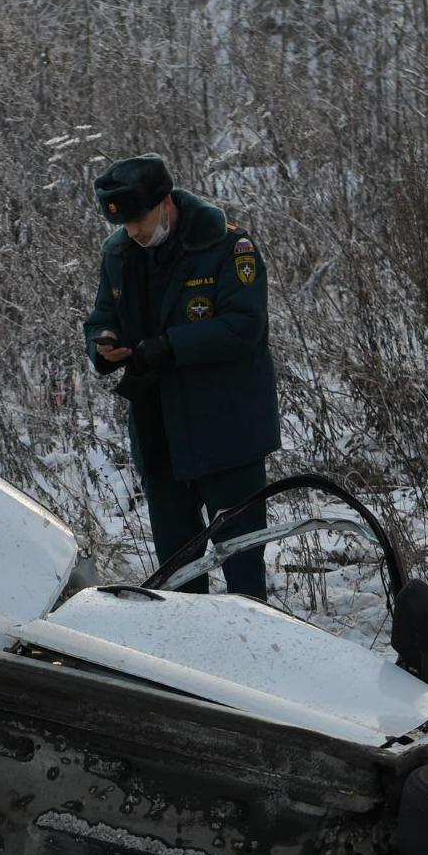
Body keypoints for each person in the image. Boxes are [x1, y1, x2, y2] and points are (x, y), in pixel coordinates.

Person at [81, 155, 281, 599]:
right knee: (176, 572)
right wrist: (103, 341)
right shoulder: (119, 253)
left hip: (227, 431)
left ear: (166, 203)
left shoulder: (229, 248)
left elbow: (244, 327)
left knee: (241, 562)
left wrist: (172, 345)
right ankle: (191, 656)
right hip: (160, 434)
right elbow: (101, 315)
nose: (134, 230)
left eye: (141, 218)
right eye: (125, 222)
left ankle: (255, 657)